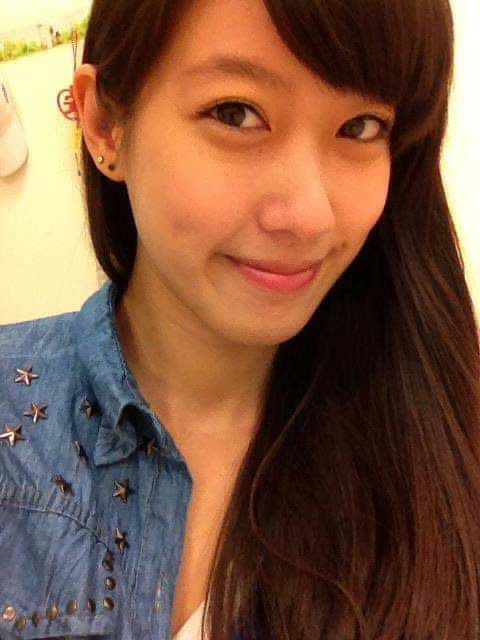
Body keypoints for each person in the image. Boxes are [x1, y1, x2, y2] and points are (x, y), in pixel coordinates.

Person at [1, 0, 479, 638]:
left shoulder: (445, 450)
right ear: (105, 125)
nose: (309, 217)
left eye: (360, 126)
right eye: (236, 113)